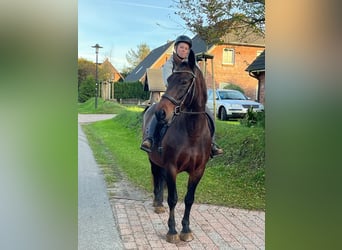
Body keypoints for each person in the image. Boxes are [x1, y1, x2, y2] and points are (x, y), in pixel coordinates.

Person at [141, 35, 223, 156]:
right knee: (157, 111)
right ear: (175, 48)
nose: (184, 50)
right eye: (181, 47)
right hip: (173, 96)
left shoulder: (193, 63)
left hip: (190, 98)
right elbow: (167, 80)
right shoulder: (169, 64)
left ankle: (211, 143)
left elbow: (198, 79)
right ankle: (149, 138)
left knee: (208, 113)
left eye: (186, 48)